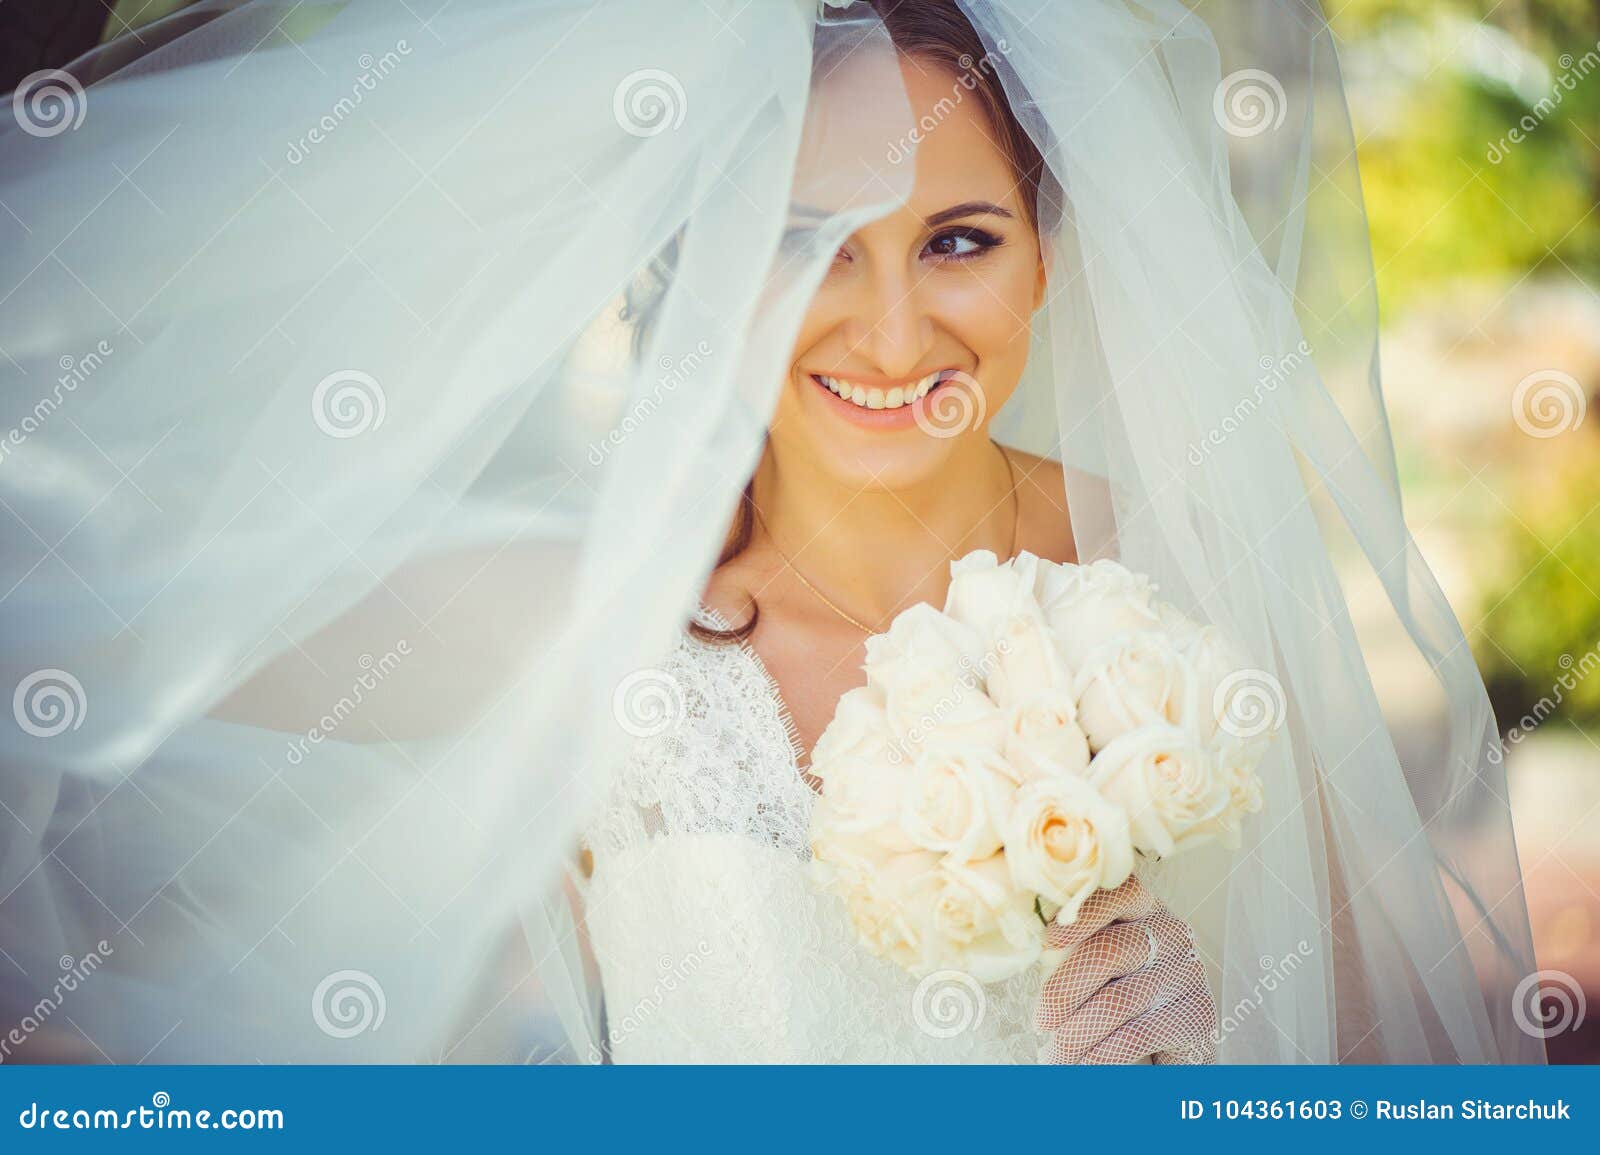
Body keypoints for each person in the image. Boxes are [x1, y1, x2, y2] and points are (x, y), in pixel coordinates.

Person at [0, 0, 1542, 1064]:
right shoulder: (589, 615)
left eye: (956, 239)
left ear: (1047, 258)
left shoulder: (1193, 581)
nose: (888, 333)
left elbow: (1370, 1066)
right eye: (809, 246)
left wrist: (1202, 1077)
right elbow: (76, 644)